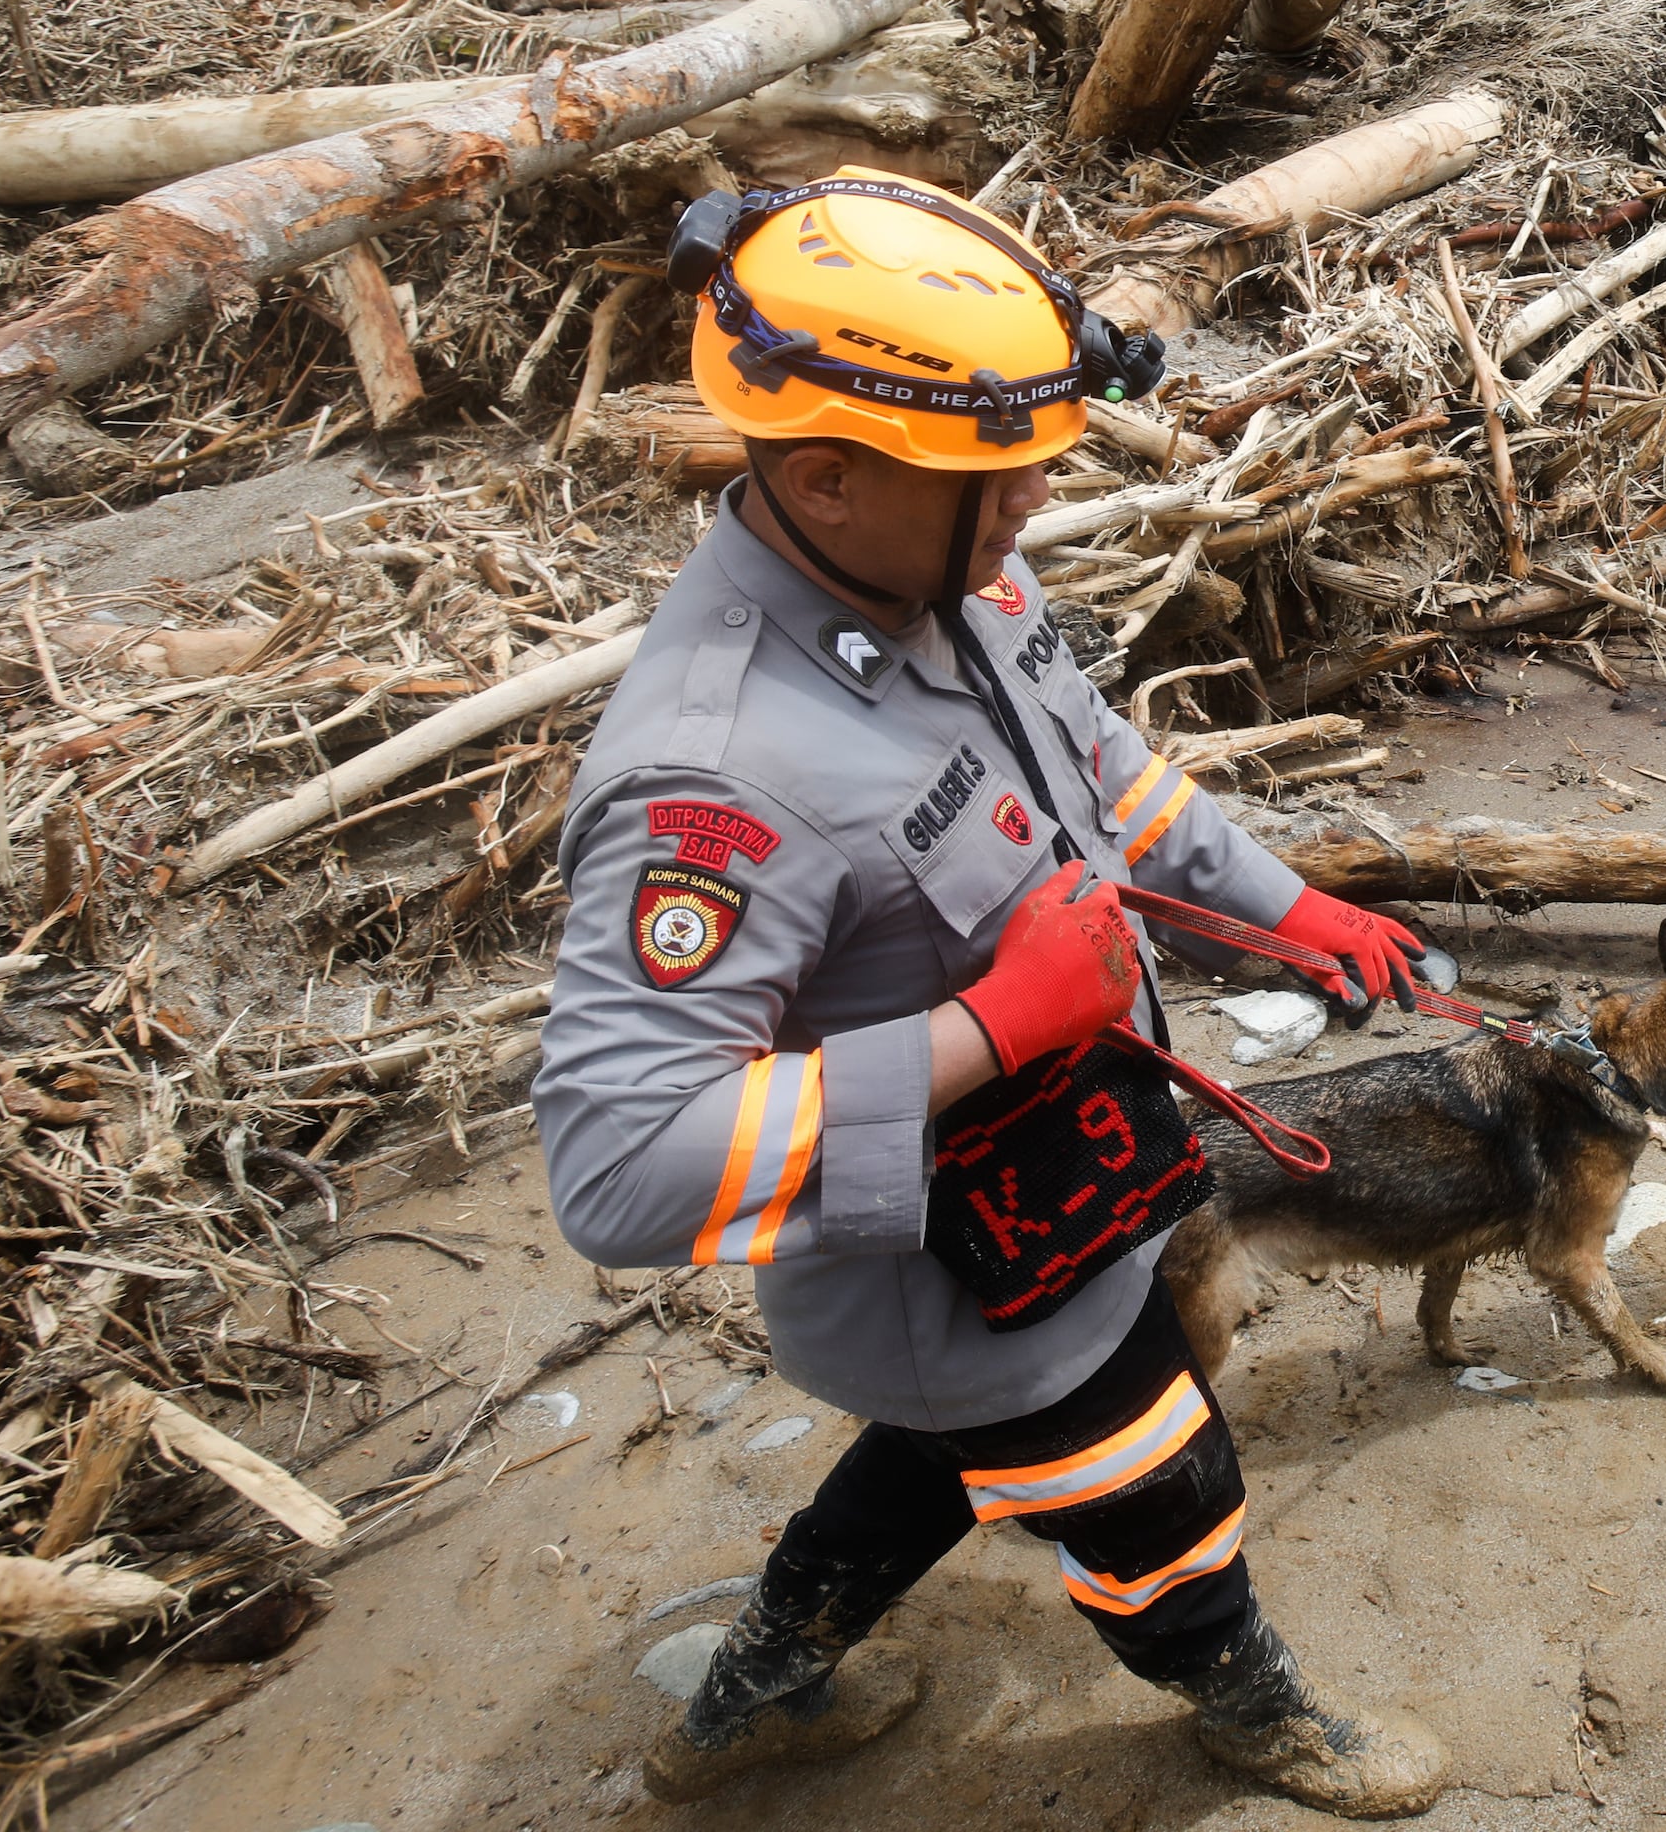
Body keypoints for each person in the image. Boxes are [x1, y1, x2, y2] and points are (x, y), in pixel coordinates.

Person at [532, 169, 1446, 1817]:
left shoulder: (951, 571)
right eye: (998, 477)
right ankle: (1253, 1712)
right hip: (961, 1270)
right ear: (821, 473)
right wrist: (996, 1025)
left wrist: (1287, 906)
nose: (1034, 501)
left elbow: (1101, 773)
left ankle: (746, 1703)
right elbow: (615, 1164)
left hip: (1086, 1173)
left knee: (936, 1468)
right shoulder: (721, 775)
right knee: (1162, 1492)